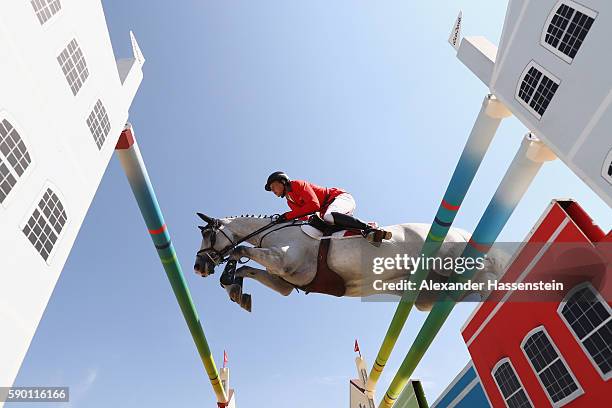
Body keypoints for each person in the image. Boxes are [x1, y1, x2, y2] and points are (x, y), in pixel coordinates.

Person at [264, 171, 392, 244]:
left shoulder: (297, 184)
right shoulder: (290, 201)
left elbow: (314, 206)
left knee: (328, 216)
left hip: (340, 198)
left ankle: (369, 229)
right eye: (271, 189)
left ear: (282, 181)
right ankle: (358, 234)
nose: (273, 191)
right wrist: (285, 221)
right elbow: (305, 218)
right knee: (316, 228)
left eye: (273, 186)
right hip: (327, 210)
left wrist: (287, 216)